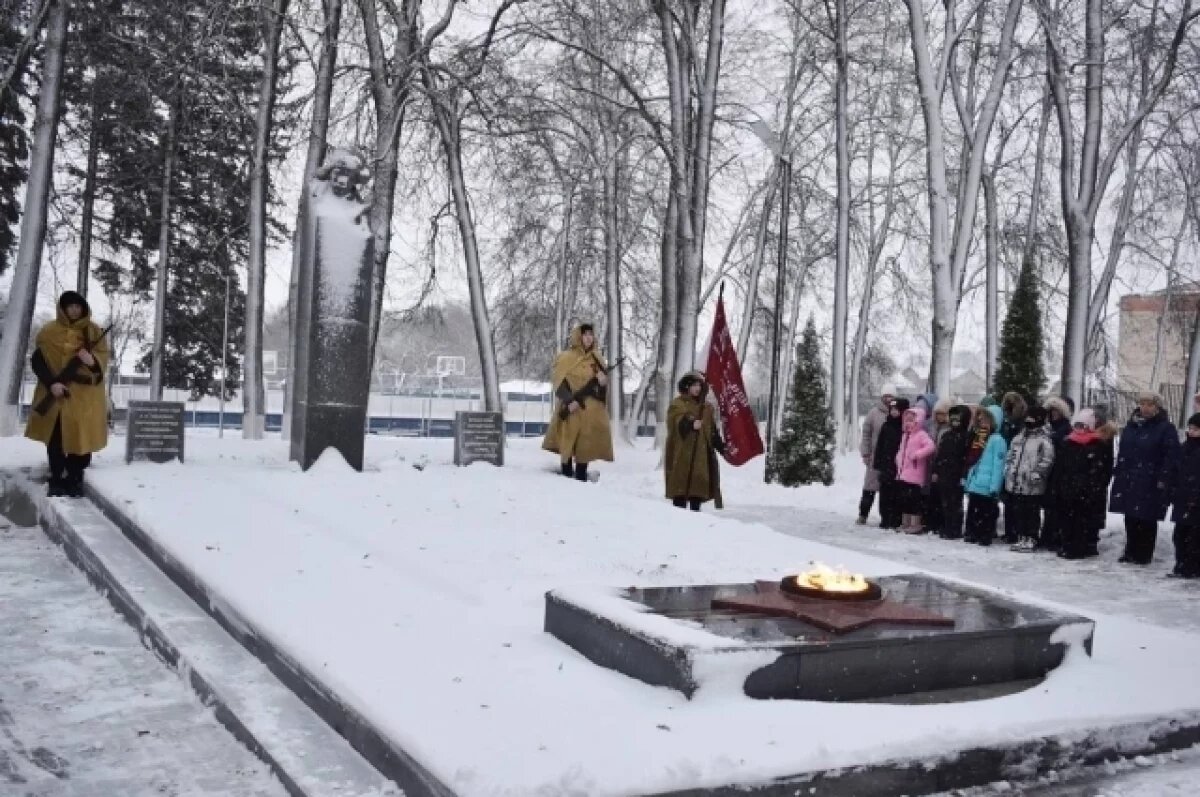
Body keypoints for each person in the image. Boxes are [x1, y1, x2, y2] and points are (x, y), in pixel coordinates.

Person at [25, 291, 110, 497]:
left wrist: (91, 361)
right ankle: (56, 478)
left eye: (77, 306)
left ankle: (74, 477)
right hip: (54, 393)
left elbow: (103, 359)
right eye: (70, 306)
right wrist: (52, 383)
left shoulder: (92, 330)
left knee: (81, 438)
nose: (74, 309)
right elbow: (38, 361)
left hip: (84, 396)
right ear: (62, 309)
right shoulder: (48, 332)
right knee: (55, 439)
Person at [1109, 392, 1180, 565]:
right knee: (1130, 516)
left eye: (1150, 404)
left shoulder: (1165, 428)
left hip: (1151, 479)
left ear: (1157, 407)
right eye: (1143, 403)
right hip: (1130, 477)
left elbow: (1171, 456)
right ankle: (1130, 550)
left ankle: (1143, 554)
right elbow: (1124, 452)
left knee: (1146, 518)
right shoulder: (1132, 426)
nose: (1145, 408)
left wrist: (1163, 477)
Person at [542, 323, 614, 481]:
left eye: (591, 334)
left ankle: (581, 478)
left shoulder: (597, 358)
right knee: (568, 443)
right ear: (578, 336)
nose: (589, 338)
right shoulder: (566, 357)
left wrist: (602, 384)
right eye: (585, 334)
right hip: (572, 408)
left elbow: (602, 392)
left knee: (585, 447)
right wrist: (569, 401)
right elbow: (558, 382)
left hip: (590, 412)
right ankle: (566, 477)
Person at [664, 372, 725, 511]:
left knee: (697, 490)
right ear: (687, 386)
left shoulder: (707, 407)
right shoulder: (678, 404)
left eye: (699, 385)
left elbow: (712, 431)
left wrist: (722, 448)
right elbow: (675, 420)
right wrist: (690, 423)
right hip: (682, 455)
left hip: (701, 457)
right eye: (694, 385)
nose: (697, 388)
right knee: (681, 490)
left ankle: (695, 522)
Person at [1004, 405, 1055, 552]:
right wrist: (1009, 470)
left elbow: (1047, 459)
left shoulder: (1044, 439)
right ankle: (1021, 536)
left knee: (1031, 512)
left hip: (1033, 484)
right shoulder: (1019, 438)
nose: (1029, 423)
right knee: (1019, 511)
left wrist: (1038, 472)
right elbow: (1011, 455)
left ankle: (1031, 537)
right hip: (1017, 481)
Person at [963, 405, 1007, 546]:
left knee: (986, 512)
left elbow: (998, 466)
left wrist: (995, 486)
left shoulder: (997, 440)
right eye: (981, 420)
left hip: (987, 485)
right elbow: (973, 461)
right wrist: (969, 479)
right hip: (976, 482)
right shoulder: (979, 438)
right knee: (973, 510)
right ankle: (972, 532)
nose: (982, 422)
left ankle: (984, 534)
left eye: (986, 420)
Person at [857, 384, 896, 524]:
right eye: (886, 395)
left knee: (887, 490)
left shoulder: (898, 413)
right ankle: (863, 514)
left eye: (891, 396)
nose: (888, 399)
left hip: (891, 458)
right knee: (869, 487)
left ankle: (886, 517)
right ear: (882, 396)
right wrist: (866, 453)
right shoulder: (873, 413)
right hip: (874, 456)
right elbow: (866, 434)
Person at [1040, 396, 1075, 550]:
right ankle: (1047, 536)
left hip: (1059, 472)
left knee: (1057, 507)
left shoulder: (1065, 429)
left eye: (1056, 411)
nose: (1053, 414)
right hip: (1049, 472)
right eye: (1051, 411)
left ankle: (1054, 537)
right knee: (1049, 507)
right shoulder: (1047, 428)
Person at [895, 406, 936, 533]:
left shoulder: (921, 434)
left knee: (914, 500)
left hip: (915, 475)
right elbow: (902, 451)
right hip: (903, 473)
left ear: (918, 421)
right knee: (905, 499)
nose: (908, 423)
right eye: (907, 420)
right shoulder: (905, 435)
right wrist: (898, 459)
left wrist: (917, 455)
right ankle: (905, 522)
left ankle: (915, 524)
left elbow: (931, 446)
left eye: (911, 420)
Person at [933, 405, 971, 539]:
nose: (954, 421)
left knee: (955, 503)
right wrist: (935, 471)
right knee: (945, 502)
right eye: (952, 418)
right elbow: (940, 454)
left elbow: (967, 458)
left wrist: (964, 474)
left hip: (957, 474)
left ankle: (955, 529)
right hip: (944, 473)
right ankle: (947, 526)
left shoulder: (966, 436)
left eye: (958, 418)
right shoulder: (947, 435)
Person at [1170, 414, 1200, 578]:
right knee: (1180, 535)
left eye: (1196, 429)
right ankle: (1181, 565)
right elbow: (1177, 470)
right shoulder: (1184, 447)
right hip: (1183, 497)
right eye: (1190, 428)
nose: (1191, 431)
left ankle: (1192, 567)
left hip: (1196, 501)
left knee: (1194, 537)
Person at [873, 397, 909, 530]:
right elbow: (880, 445)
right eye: (892, 409)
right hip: (886, 465)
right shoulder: (886, 425)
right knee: (885, 493)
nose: (894, 412)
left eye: (896, 409)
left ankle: (895, 518)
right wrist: (878, 463)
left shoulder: (905, 428)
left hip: (899, 467)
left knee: (898, 494)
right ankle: (885, 517)